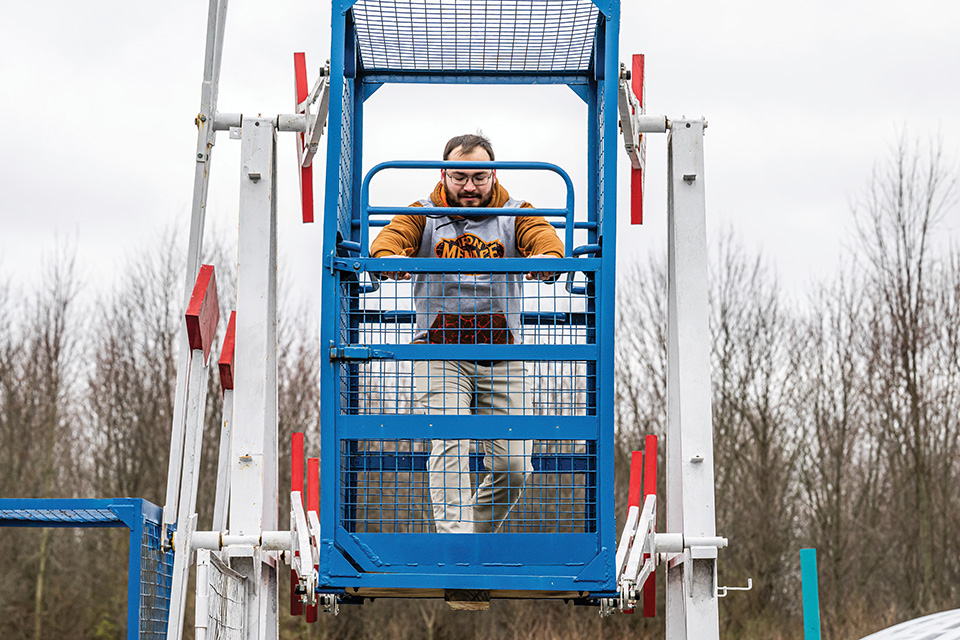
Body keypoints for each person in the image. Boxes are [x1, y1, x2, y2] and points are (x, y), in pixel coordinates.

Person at [370, 133, 564, 533]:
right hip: (439, 351)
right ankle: (455, 548)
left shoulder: (515, 213)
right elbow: (390, 238)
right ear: (444, 174)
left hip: (500, 353)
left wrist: (546, 258)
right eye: (460, 177)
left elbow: (543, 238)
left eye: (480, 176)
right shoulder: (423, 213)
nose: (470, 186)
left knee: (513, 466)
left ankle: (471, 539)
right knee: (450, 442)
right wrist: (388, 259)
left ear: (493, 175)